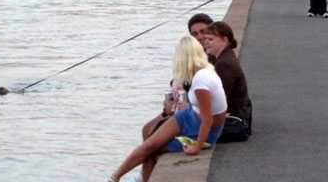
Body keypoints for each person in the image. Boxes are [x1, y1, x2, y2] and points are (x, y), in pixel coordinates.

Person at [107, 36, 227, 182]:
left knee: (152, 150)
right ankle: (115, 177)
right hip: (190, 115)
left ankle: (117, 177)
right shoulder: (203, 71)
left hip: (203, 129)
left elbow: (208, 120)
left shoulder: (202, 80)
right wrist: (176, 84)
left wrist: (197, 148)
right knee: (150, 142)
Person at [141, 13, 214, 142]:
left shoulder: (212, 61)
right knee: (147, 129)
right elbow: (184, 79)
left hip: (199, 116)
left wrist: (190, 108)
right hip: (186, 110)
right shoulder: (194, 57)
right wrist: (175, 83)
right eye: (195, 34)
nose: (200, 37)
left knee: (153, 135)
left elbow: (213, 100)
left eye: (203, 32)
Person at [202, 22, 252, 142]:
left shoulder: (224, 64)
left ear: (224, 40)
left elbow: (219, 98)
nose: (206, 43)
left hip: (233, 125)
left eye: (210, 39)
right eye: (205, 39)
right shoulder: (225, 57)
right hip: (237, 119)